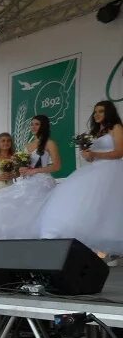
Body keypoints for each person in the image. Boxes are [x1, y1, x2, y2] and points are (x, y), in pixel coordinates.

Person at [0, 115, 61, 252]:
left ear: (43, 126)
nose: (33, 127)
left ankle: (44, 247)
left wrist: (34, 171)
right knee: (11, 209)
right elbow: (25, 167)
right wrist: (22, 170)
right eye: (32, 124)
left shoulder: (49, 143)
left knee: (38, 214)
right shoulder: (28, 146)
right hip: (27, 181)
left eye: (37, 124)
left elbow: (56, 166)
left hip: (41, 181)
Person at [39, 101, 123, 255]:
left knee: (110, 209)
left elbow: (119, 152)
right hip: (95, 169)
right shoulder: (96, 132)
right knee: (91, 208)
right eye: (95, 111)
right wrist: (87, 155)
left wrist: (95, 154)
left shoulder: (116, 127)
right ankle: (100, 249)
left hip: (112, 170)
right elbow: (92, 158)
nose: (97, 114)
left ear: (109, 113)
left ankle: (112, 249)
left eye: (101, 111)